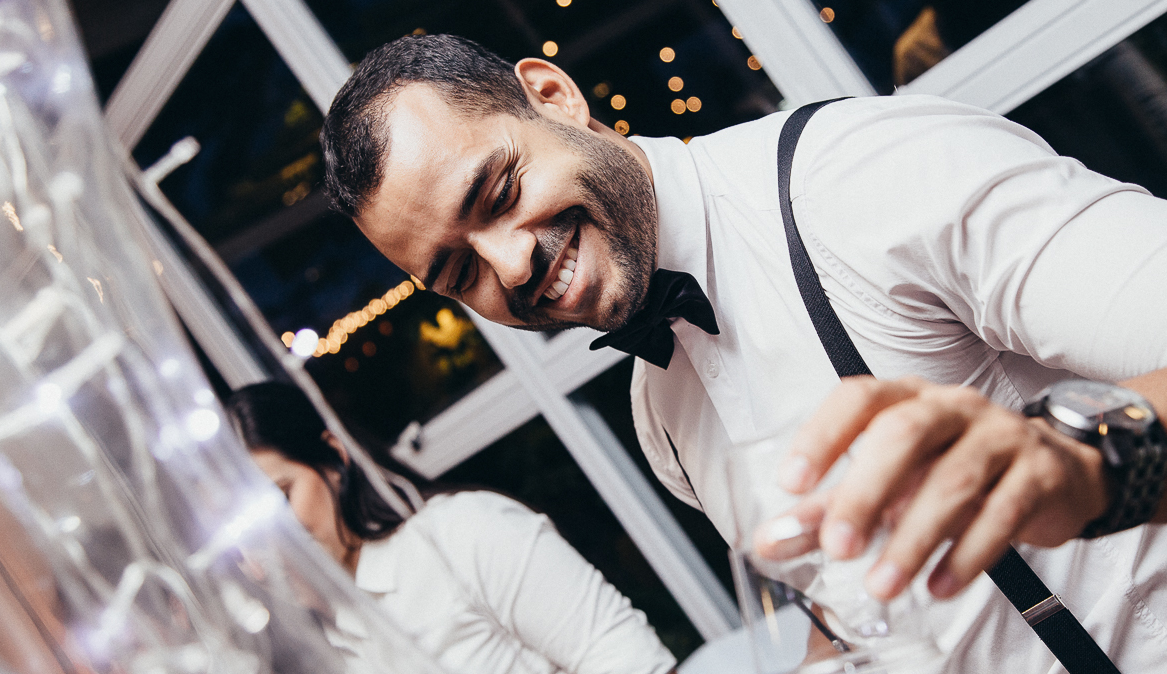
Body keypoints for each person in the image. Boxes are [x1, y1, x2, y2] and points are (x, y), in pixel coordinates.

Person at [318, 33, 1167, 672]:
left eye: (498, 193)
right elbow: (861, 614)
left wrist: (1084, 460)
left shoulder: (861, 177)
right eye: (461, 271)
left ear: (553, 97)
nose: (511, 264)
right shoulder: (662, 420)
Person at [223, 381, 677, 674]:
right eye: (239, 530)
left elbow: (633, 661)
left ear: (335, 459)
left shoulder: (460, 534)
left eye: (281, 498)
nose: (268, 541)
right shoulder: (313, 646)